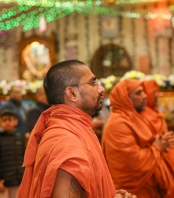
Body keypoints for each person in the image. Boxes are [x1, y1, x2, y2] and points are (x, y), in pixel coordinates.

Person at [17, 60, 136, 198]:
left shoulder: (76, 128)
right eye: (92, 83)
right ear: (71, 94)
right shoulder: (66, 142)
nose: (101, 89)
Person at [102, 79, 174, 198]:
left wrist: (162, 142)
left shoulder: (135, 117)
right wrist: (157, 147)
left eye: (144, 92)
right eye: (138, 93)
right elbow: (132, 163)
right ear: (125, 98)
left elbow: (149, 142)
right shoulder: (118, 124)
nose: (145, 96)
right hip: (132, 192)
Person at [141, 80, 174, 170]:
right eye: (153, 92)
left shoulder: (156, 112)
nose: (157, 95)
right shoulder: (142, 116)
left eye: (157, 91)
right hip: (155, 164)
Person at [0, 109, 25, 198]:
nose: (7, 122)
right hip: (4, 184)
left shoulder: (19, 137)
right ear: (0, 122)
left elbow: (24, 158)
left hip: (19, 181)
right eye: (4, 120)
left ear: (15, 121)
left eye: (10, 120)